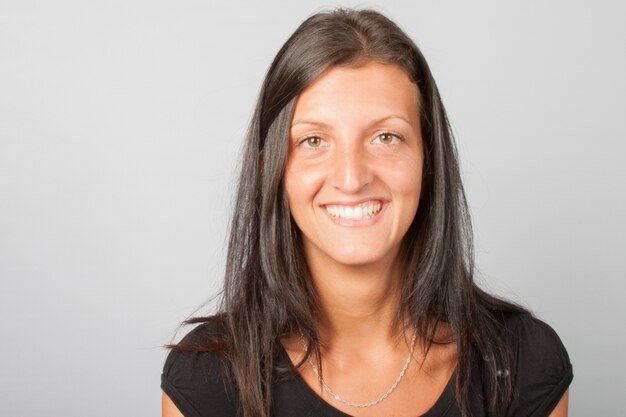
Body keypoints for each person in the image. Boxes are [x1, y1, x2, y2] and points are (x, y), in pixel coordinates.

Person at [161, 8, 573, 417]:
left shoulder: (522, 364)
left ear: (428, 160)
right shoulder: (206, 379)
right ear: (272, 168)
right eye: (313, 141)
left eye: (386, 136)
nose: (352, 177)